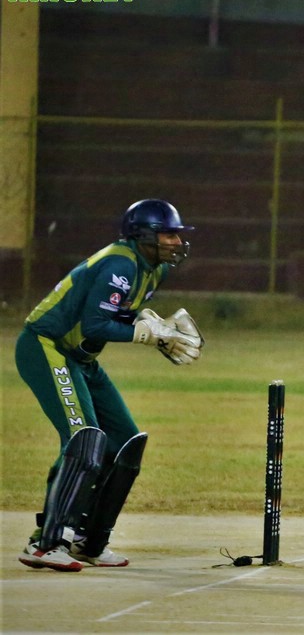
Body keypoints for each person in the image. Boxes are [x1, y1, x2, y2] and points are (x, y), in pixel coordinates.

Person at [15, 199, 205, 572]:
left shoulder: (154, 269)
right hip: (47, 347)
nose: (176, 242)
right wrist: (147, 334)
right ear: (143, 235)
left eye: (177, 235)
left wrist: (150, 323)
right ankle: (46, 542)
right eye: (168, 234)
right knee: (84, 438)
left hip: (82, 359)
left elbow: (117, 311)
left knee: (125, 443)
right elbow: (95, 325)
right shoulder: (120, 263)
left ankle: (89, 540)